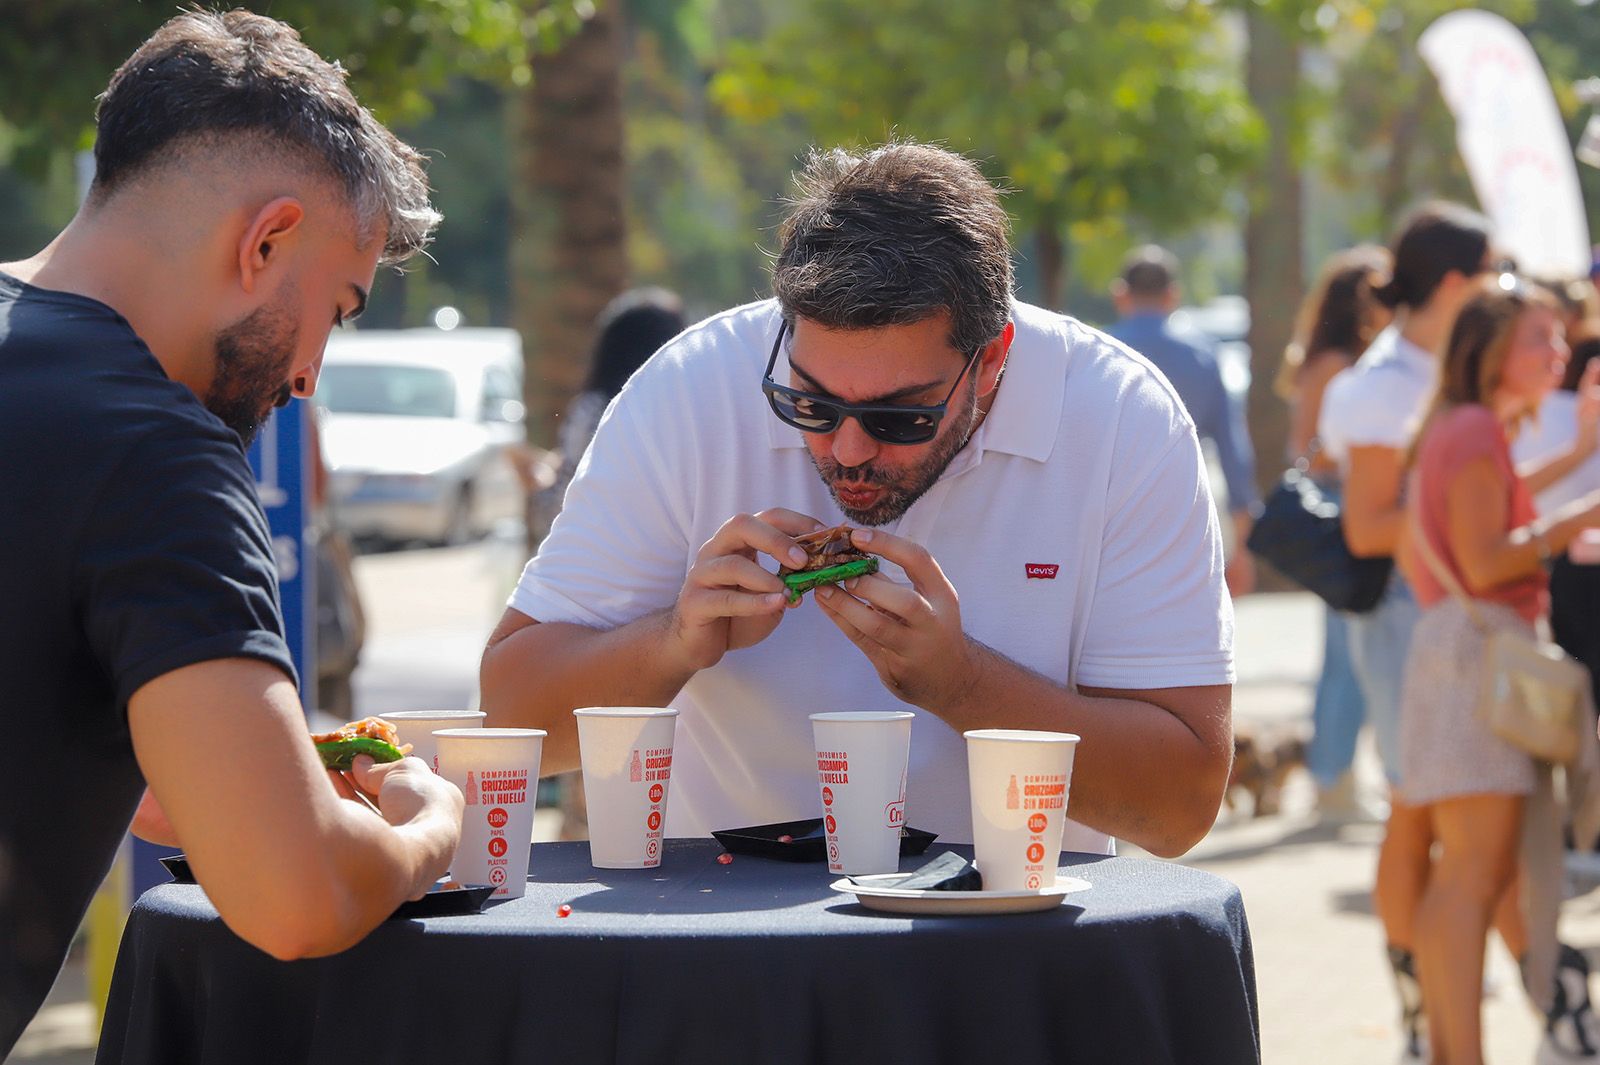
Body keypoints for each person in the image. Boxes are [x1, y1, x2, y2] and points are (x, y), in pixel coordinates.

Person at [481, 141, 1235, 859]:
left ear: (993, 359)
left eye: (898, 418)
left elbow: (1180, 808)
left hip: (1011, 939)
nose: (847, 450)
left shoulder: (1120, 419)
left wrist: (962, 683)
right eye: (808, 404)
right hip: (721, 935)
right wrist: (674, 638)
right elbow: (511, 727)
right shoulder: (688, 393)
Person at [0, 12, 463, 1055]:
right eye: (336, 311)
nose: (308, 379)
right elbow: (293, 898)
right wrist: (429, 824)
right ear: (264, 241)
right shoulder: (154, 452)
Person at [1397, 279, 1600, 1065]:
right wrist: (1577, 516)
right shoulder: (1476, 425)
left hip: (1459, 658)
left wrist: (1577, 459)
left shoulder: (1464, 424)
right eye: (1539, 339)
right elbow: (1488, 559)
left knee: (1471, 874)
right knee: (1471, 878)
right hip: (1474, 664)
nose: (1557, 351)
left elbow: (1492, 517)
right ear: (1488, 351)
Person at [1317, 201, 1499, 1061]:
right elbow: (1367, 527)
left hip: (1450, 612)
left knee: (1435, 811)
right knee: (1417, 809)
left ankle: (1433, 1000)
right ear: (1458, 281)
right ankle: (1422, 1003)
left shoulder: (1442, 367)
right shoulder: (1384, 384)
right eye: (1492, 273)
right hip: (1402, 616)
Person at [530, 286, 686, 839]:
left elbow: (562, 502)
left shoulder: (588, 408)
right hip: (649, 609)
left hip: (594, 611)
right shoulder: (661, 411)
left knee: (593, 766)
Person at [1273, 246, 1392, 819]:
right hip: (1345, 508)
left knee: (1353, 649)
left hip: (1351, 506)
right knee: (1349, 653)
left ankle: (1338, 773)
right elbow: (1308, 450)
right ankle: (1332, 777)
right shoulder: (1337, 365)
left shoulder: (1333, 360)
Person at [1107, 245, 1258, 597]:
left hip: (1113, 509)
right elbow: (1232, 448)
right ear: (1172, 294)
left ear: (1121, 295)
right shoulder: (1203, 355)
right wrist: (1243, 540)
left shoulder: (1100, 351)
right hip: (1189, 502)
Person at [530, 286, 687, 545]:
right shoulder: (683, 413)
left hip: (599, 561)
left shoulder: (593, 410)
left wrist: (539, 480)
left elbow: (564, 503)